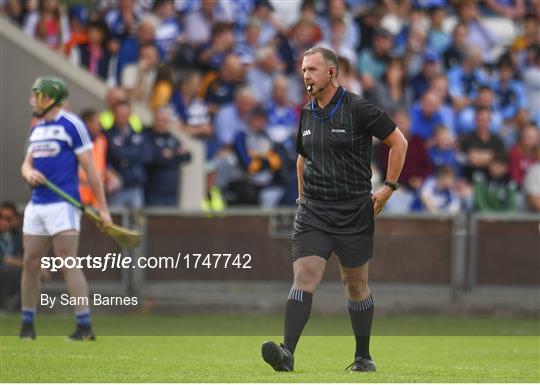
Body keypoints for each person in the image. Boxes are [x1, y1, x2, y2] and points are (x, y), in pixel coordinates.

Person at [261, 47, 407, 372]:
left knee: (354, 285)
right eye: (303, 70)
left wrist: (389, 188)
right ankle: (287, 353)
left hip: (354, 210)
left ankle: (363, 357)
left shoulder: (359, 108)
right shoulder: (307, 113)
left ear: (331, 72)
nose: (306, 76)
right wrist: (302, 199)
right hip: (314, 210)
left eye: (312, 70)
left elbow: (399, 142)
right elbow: (303, 158)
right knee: (303, 277)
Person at [20, 77, 112, 340]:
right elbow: (25, 164)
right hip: (37, 204)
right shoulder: (37, 128)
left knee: (66, 260)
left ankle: (84, 326)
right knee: (30, 261)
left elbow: (91, 168)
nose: (33, 99)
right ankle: (28, 324)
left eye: (38, 95)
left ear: (49, 98)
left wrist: (102, 208)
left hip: (64, 204)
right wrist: (29, 174)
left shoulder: (72, 125)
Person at [144, 108, 191, 206]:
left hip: (172, 193)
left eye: (165, 121)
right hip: (153, 192)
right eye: (159, 120)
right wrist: (175, 154)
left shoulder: (171, 137)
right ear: (154, 119)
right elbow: (152, 158)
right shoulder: (147, 135)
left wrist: (171, 154)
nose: (162, 123)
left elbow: (187, 156)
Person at [0, 202, 23, 311]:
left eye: (8, 219)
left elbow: (29, 256)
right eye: (1, 217)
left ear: (16, 220)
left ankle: (19, 308)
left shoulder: (19, 236)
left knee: (35, 272)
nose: (3, 222)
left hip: (15, 274)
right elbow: (5, 259)